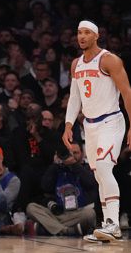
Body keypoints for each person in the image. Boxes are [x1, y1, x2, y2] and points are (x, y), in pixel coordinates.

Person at [62, 20, 131, 243]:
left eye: (86, 33)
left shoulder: (109, 60)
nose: (81, 36)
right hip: (89, 126)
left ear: (96, 36)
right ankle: (107, 226)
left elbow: (127, 93)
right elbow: (75, 97)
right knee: (99, 175)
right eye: (79, 32)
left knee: (103, 166)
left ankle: (113, 223)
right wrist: (68, 124)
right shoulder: (76, 64)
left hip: (111, 121)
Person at [26, 142, 97, 236]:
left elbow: (91, 183)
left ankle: (49, 228)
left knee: (90, 213)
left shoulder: (86, 168)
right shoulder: (56, 169)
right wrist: (55, 165)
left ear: (82, 154)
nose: (71, 155)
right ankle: (67, 231)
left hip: (78, 213)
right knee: (31, 208)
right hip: (59, 214)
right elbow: (45, 186)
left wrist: (75, 165)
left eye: (75, 152)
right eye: (69, 152)